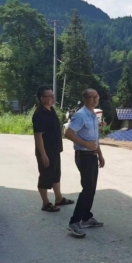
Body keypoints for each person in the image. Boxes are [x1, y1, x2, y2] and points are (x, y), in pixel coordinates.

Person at [64, 88, 105, 238]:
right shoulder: (80, 115)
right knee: (87, 189)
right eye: (91, 97)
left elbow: (95, 138)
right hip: (83, 155)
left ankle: (86, 217)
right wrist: (86, 144)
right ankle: (74, 222)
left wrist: (100, 154)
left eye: (96, 96)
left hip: (92, 156)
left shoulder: (93, 115)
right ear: (84, 99)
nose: (94, 99)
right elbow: (68, 133)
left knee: (91, 189)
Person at [32, 86, 74, 212]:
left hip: (55, 150)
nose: (52, 98)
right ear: (42, 98)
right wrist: (43, 155)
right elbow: (38, 136)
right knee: (45, 176)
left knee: (56, 174)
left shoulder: (51, 110)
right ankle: (45, 203)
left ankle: (58, 198)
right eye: (50, 96)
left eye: (53, 96)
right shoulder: (39, 114)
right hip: (46, 151)